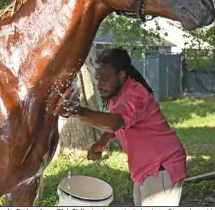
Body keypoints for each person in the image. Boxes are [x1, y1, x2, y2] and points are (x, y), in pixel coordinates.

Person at [56, 48, 187, 206]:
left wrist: (79, 111)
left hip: (162, 166)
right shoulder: (118, 96)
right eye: (97, 79)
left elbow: (115, 123)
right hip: (147, 168)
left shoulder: (135, 95)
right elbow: (118, 125)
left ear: (121, 75)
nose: (99, 85)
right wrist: (102, 142)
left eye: (105, 79)